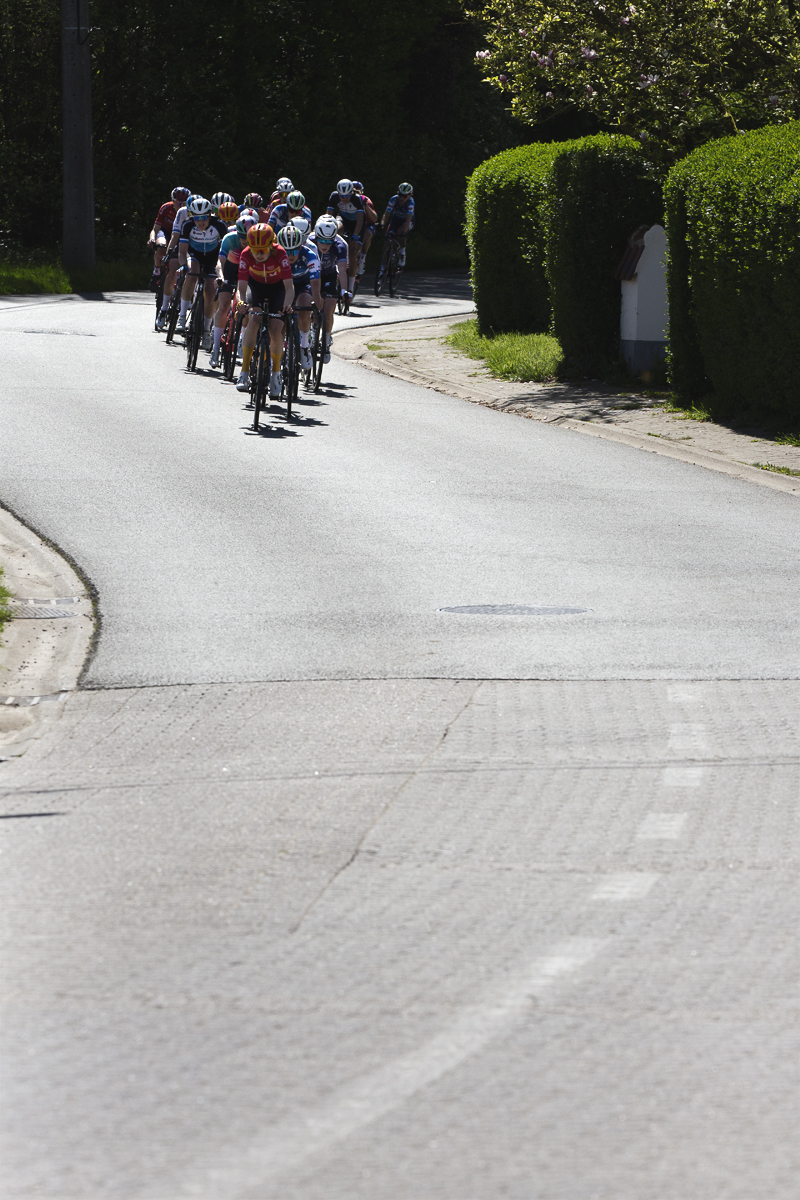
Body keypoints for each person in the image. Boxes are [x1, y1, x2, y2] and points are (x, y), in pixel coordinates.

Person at [235, 223, 294, 396]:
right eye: (255, 250)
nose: (259, 255)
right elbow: (242, 287)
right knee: (254, 319)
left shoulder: (280, 253)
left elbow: (289, 288)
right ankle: (244, 372)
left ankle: (276, 373)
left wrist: (287, 304)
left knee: (276, 329)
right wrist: (241, 303)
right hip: (256, 287)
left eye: (263, 250)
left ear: (271, 246)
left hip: (278, 289)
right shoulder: (246, 255)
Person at [177, 196, 229, 349]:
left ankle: (206, 330)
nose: (200, 221)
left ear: (210, 215)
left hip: (213, 257)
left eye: (204, 217)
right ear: (192, 216)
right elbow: (182, 252)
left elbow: (225, 250)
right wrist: (182, 265)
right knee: (192, 273)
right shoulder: (187, 226)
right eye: (197, 218)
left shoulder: (219, 225)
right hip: (194, 255)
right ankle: (181, 316)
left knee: (211, 289)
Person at [209, 210, 258, 369]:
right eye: (241, 236)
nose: (244, 240)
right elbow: (219, 262)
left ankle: (243, 338)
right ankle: (216, 348)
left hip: (248, 274)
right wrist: (221, 277)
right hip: (229, 270)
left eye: (247, 237)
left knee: (246, 307)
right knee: (223, 305)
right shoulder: (230, 239)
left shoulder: (258, 243)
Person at [276, 223, 321, 372]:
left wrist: (317, 303)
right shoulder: (275, 255)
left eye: (295, 250)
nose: (291, 255)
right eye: (287, 251)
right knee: (279, 318)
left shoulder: (310, 254)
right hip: (282, 285)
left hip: (303, 284)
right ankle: (277, 349)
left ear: (301, 246)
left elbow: (315, 281)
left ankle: (304, 347)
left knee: (304, 308)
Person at [308, 215, 348, 364]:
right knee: (308, 302)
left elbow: (343, 270)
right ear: (316, 236)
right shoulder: (309, 241)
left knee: (329, 309)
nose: (324, 245)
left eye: (328, 241)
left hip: (329, 274)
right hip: (312, 275)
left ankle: (326, 339)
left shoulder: (340, 245)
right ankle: (310, 331)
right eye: (322, 240)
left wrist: (344, 290)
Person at [148, 186, 190, 322]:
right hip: (166, 233)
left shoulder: (188, 212)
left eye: (183, 203)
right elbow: (155, 228)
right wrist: (152, 238)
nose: (180, 205)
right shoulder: (166, 208)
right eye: (177, 202)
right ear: (172, 201)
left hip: (180, 237)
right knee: (161, 247)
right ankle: (156, 272)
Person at [326, 179, 363, 295]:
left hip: (357, 223)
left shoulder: (357, 199)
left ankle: (350, 288)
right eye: (342, 196)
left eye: (347, 195)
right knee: (335, 228)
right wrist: (327, 231)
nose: (345, 199)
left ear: (351, 192)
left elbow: (361, 220)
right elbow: (328, 217)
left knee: (352, 255)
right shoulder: (334, 196)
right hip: (343, 219)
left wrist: (356, 236)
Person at [381, 182, 415, 267]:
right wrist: (382, 224)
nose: (402, 198)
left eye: (405, 196)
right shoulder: (393, 199)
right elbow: (386, 214)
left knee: (400, 233)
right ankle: (382, 269)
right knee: (386, 241)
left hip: (407, 221)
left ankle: (402, 253)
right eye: (400, 195)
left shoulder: (411, 202)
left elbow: (408, 219)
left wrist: (404, 232)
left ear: (410, 196)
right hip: (396, 219)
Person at [351, 181, 378, 278]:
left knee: (367, 234)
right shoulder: (346, 200)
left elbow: (374, 219)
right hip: (353, 223)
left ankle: (362, 257)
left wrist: (365, 205)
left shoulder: (367, 201)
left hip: (367, 224)